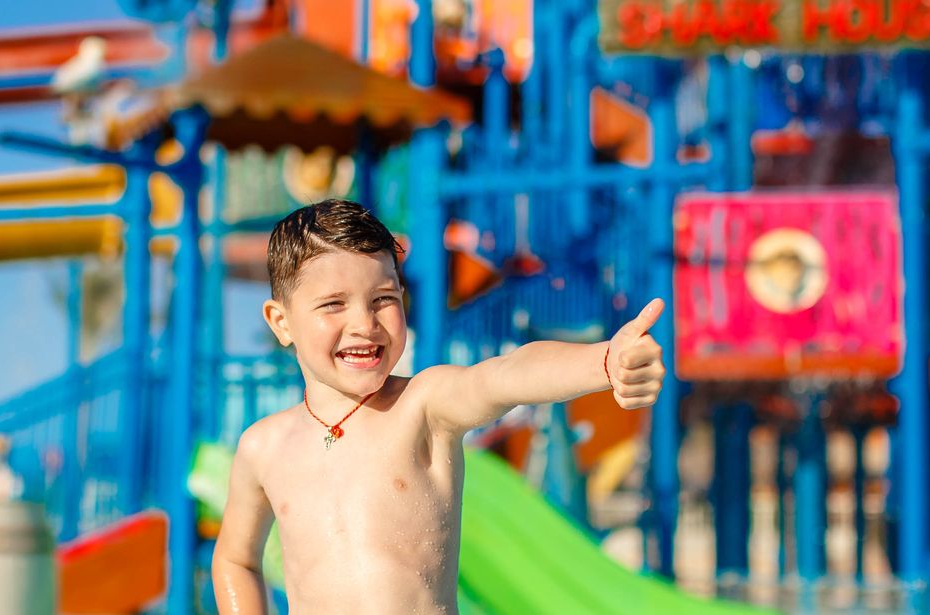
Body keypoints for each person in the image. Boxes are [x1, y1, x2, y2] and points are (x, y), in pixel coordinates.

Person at [213, 199, 668, 614]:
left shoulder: (422, 406)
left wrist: (602, 361)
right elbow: (235, 559)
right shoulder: (263, 448)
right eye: (334, 305)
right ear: (281, 322)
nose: (364, 324)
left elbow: (504, 376)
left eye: (383, 299)